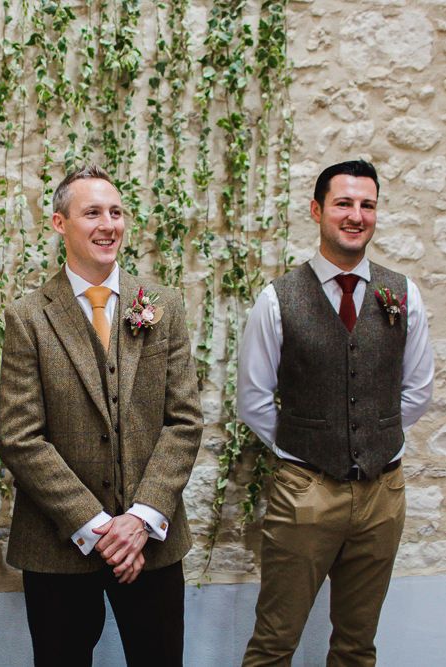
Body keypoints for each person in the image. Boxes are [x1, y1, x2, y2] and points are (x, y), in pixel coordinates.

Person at [0, 164, 203, 667]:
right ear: (59, 223)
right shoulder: (28, 317)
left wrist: (139, 518)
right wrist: (95, 526)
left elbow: (185, 421)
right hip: (57, 545)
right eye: (92, 212)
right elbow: (21, 437)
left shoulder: (161, 306)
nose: (108, 224)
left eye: (116, 212)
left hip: (150, 541)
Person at [238, 159, 434, 666]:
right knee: (273, 644)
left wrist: (371, 438)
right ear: (317, 210)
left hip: (382, 494)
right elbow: (254, 400)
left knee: (356, 646)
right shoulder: (277, 300)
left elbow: (417, 390)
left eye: (367, 205)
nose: (356, 215)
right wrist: (304, 451)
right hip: (305, 491)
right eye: (344, 203)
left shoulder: (402, 294)